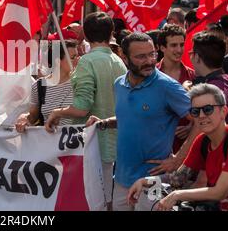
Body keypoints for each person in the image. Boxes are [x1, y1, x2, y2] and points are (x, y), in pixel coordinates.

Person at [85, 32, 191, 211]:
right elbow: (130, 117)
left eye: (152, 54)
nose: (149, 61)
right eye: (141, 56)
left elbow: (202, 121)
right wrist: (104, 122)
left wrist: (178, 159)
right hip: (121, 179)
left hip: (154, 181)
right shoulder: (119, 84)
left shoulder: (168, 86)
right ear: (124, 57)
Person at [44, 12, 127, 209]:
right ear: (112, 34)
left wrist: (57, 112)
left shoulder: (87, 62)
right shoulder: (119, 62)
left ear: (86, 36)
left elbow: (82, 109)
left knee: (92, 201)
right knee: (105, 198)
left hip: (93, 145)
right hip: (114, 141)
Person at [127, 84, 228, 211]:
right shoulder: (202, 141)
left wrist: (177, 195)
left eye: (208, 109)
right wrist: (144, 181)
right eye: (195, 112)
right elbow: (178, 178)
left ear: (223, 111)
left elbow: (220, 192)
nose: (201, 115)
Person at [15, 40, 78, 132]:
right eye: (73, 57)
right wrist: (24, 118)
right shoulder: (39, 86)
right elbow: (33, 116)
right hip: (49, 142)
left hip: (76, 142)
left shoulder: (80, 82)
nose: (78, 60)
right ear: (57, 61)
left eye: (77, 56)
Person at [157, 24, 195, 153]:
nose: (179, 50)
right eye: (173, 45)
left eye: (182, 44)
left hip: (185, 150)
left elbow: (203, 112)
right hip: (156, 148)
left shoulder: (193, 76)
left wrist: (191, 126)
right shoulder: (150, 76)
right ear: (162, 47)